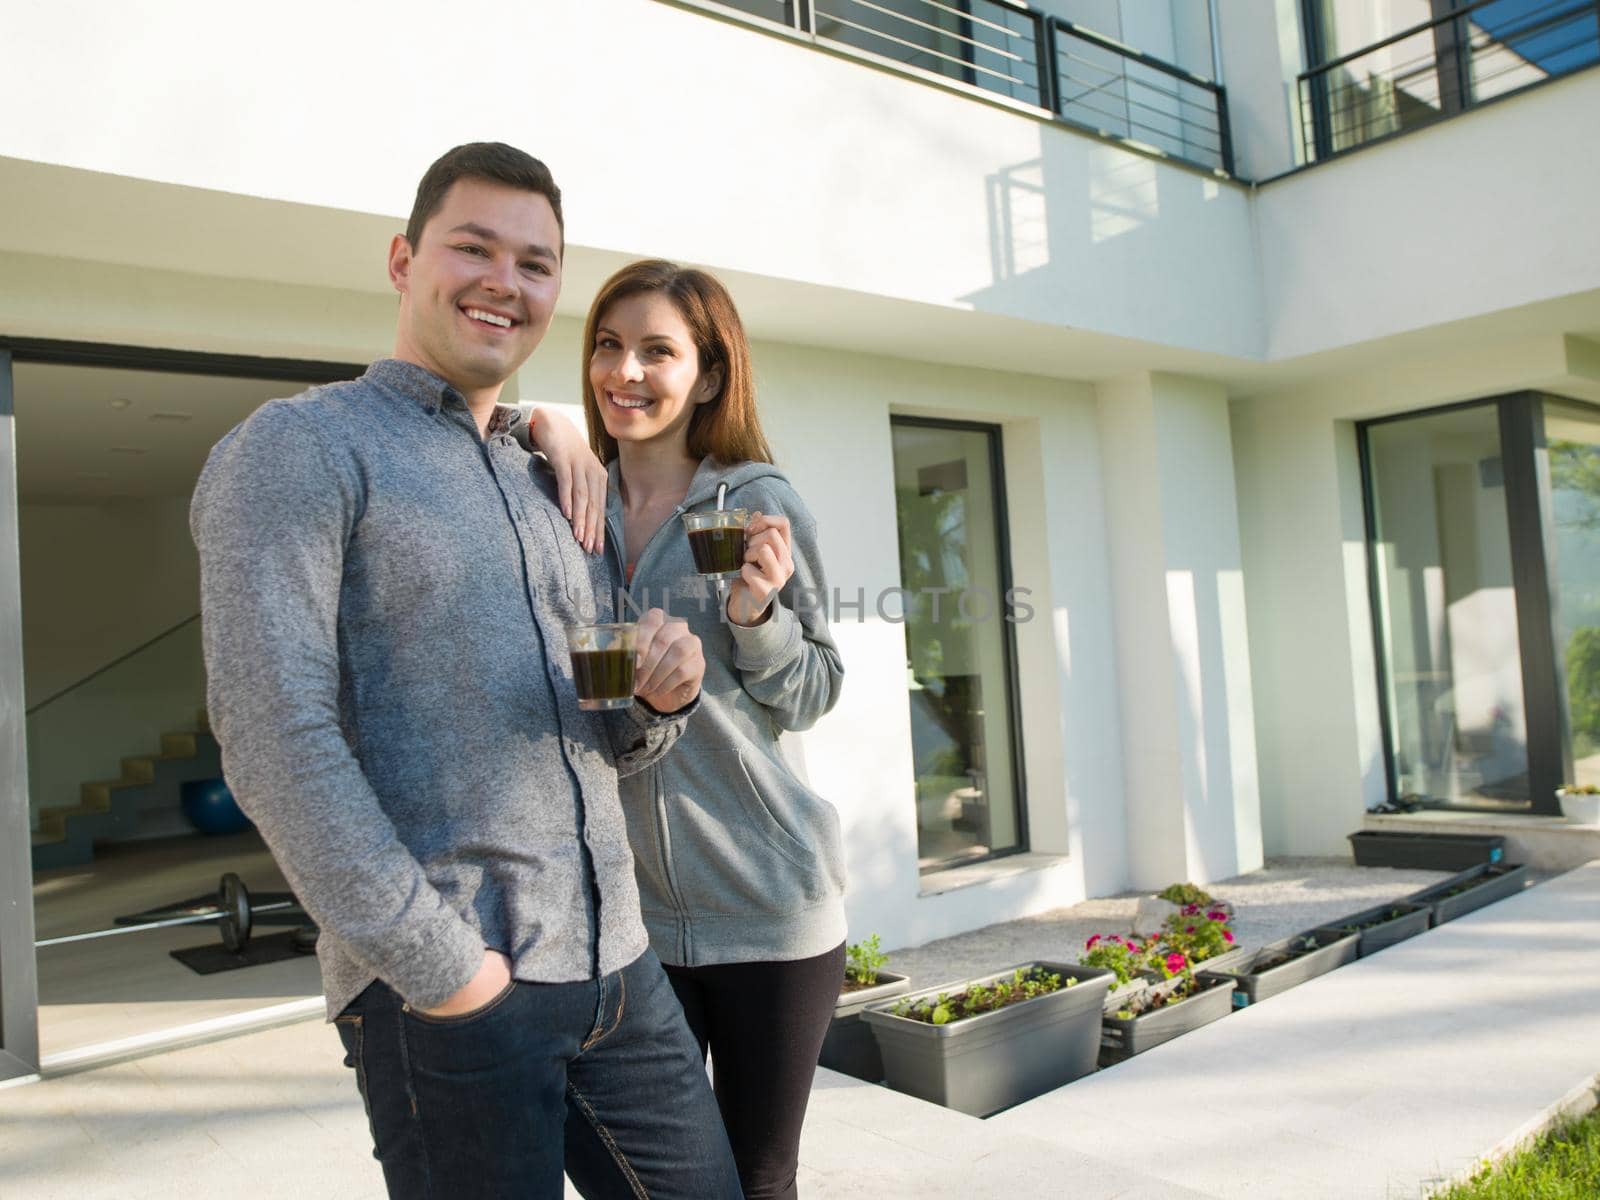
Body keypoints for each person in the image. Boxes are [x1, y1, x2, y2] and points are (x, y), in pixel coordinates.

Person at [189, 145, 742, 1200]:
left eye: (535, 264)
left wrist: (658, 703)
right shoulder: (301, 450)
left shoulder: (551, 472)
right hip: (450, 989)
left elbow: (597, 726)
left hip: (617, 965)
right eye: (473, 247)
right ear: (403, 260)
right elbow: (272, 734)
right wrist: (446, 972)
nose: (505, 281)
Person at [542, 259, 848, 1200]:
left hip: (767, 905)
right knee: (662, 1179)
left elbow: (814, 691)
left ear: (708, 375)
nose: (623, 371)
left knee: (758, 1178)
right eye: (606, 345)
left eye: (656, 351)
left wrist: (758, 619)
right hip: (629, 922)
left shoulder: (754, 504)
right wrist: (543, 417)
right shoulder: (561, 509)